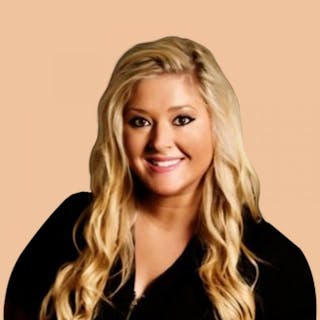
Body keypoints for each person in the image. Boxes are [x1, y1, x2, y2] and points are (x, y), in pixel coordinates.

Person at [4, 36, 316, 320]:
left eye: (182, 119)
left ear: (217, 126)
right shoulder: (72, 225)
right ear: (119, 132)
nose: (160, 141)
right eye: (140, 121)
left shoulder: (275, 264)